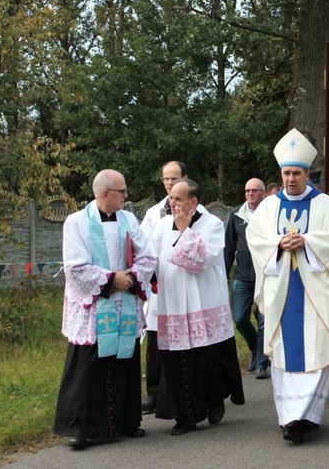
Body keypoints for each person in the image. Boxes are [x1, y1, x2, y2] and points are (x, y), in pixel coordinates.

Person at [247, 128, 329, 444]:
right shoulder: (267, 207)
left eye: (297, 173)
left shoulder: (326, 205)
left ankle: (308, 417)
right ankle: (289, 418)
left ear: (308, 174)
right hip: (282, 292)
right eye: (286, 173)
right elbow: (256, 240)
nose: (291, 178)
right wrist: (280, 243)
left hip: (314, 293)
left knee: (316, 347)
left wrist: (307, 241)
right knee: (283, 351)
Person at [54, 169, 156, 450]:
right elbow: (74, 268)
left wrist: (131, 278)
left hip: (124, 303)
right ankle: (81, 428)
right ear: (105, 194)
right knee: (88, 367)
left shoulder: (129, 220)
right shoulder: (76, 223)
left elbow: (148, 256)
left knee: (124, 361)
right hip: (94, 306)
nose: (126, 196)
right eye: (122, 191)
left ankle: (125, 421)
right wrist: (112, 279)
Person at [151, 179, 244, 434]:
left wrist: (184, 231)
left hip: (205, 303)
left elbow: (200, 260)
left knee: (207, 362)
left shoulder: (212, 224)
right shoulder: (160, 226)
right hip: (173, 304)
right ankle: (186, 416)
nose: (173, 204)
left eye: (178, 199)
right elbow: (150, 258)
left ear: (193, 202)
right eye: (171, 199)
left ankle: (215, 401)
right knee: (177, 362)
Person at [138, 160, 189, 413]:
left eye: (174, 178)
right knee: (156, 343)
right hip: (159, 287)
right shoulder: (153, 213)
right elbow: (142, 247)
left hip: (183, 287)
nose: (169, 184)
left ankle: (185, 391)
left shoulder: (195, 210)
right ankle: (155, 393)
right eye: (166, 179)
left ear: (184, 178)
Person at [225, 178, 269, 378]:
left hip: (265, 275)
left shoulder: (270, 214)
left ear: (263, 193)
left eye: (255, 190)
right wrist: (224, 273)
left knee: (263, 320)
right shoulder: (236, 215)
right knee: (240, 318)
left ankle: (262, 362)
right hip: (242, 275)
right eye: (247, 190)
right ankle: (254, 348)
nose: (250, 194)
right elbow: (229, 246)